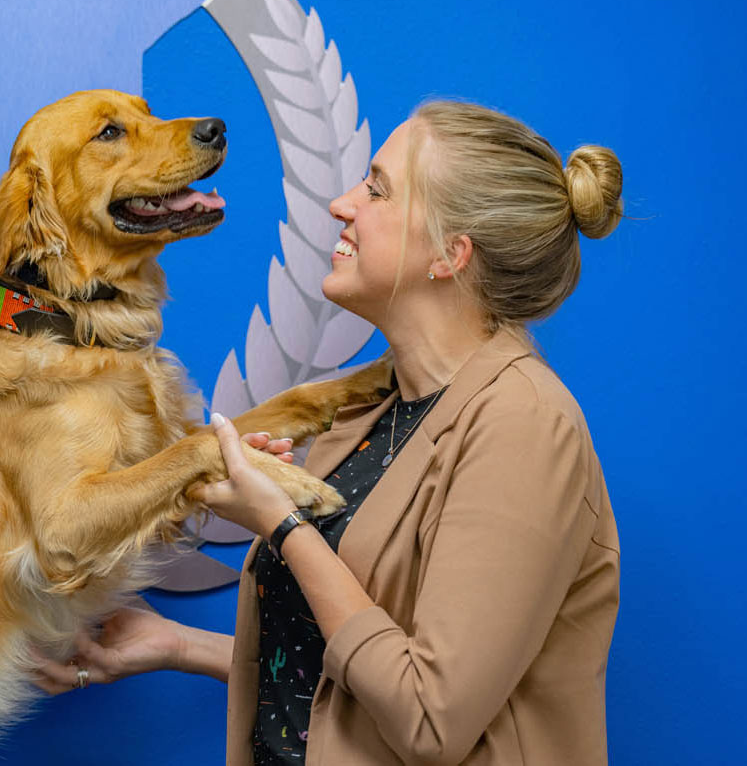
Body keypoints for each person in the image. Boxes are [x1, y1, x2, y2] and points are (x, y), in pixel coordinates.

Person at [34, 100, 623, 765]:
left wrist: (284, 525)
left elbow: (428, 716)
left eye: (376, 189)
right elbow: (348, 671)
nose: (342, 204)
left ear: (448, 253)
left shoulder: (524, 425)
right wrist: (176, 645)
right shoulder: (370, 405)